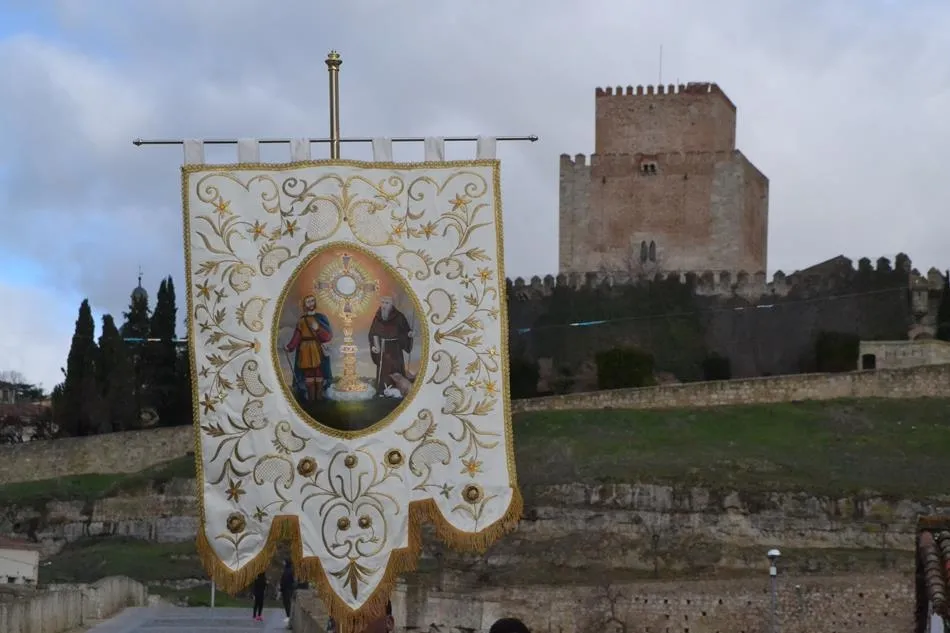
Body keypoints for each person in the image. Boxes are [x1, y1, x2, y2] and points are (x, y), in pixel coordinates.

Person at [285, 294, 333, 402]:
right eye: (308, 302)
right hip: (305, 350)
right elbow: (297, 336)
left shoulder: (321, 318)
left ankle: (319, 398)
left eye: (312, 301)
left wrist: (318, 329)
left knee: (319, 372)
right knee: (309, 373)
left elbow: (328, 336)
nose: (311, 303)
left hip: (318, 348)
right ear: (304, 305)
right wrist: (290, 347)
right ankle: (311, 400)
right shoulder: (301, 320)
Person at [368, 296, 414, 396]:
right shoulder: (377, 317)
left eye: (387, 303)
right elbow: (372, 333)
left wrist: (408, 335)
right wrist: (373, 346)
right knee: (384, 371)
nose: (384, 305)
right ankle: (382, 391)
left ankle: (398, 390)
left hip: (395, 349)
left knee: (395, 370)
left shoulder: (399, 316)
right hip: (382, 349)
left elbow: (406, 331)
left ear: (392, 304)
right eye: (383, 302)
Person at [280, 559, 295, 626]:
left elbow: (285, 580)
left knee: (287, 603)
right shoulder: (288, 570)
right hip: (287, 589)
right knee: (287, 603)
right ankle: (289, 617)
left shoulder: (288, 571)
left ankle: (289, 617)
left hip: (287, 589)